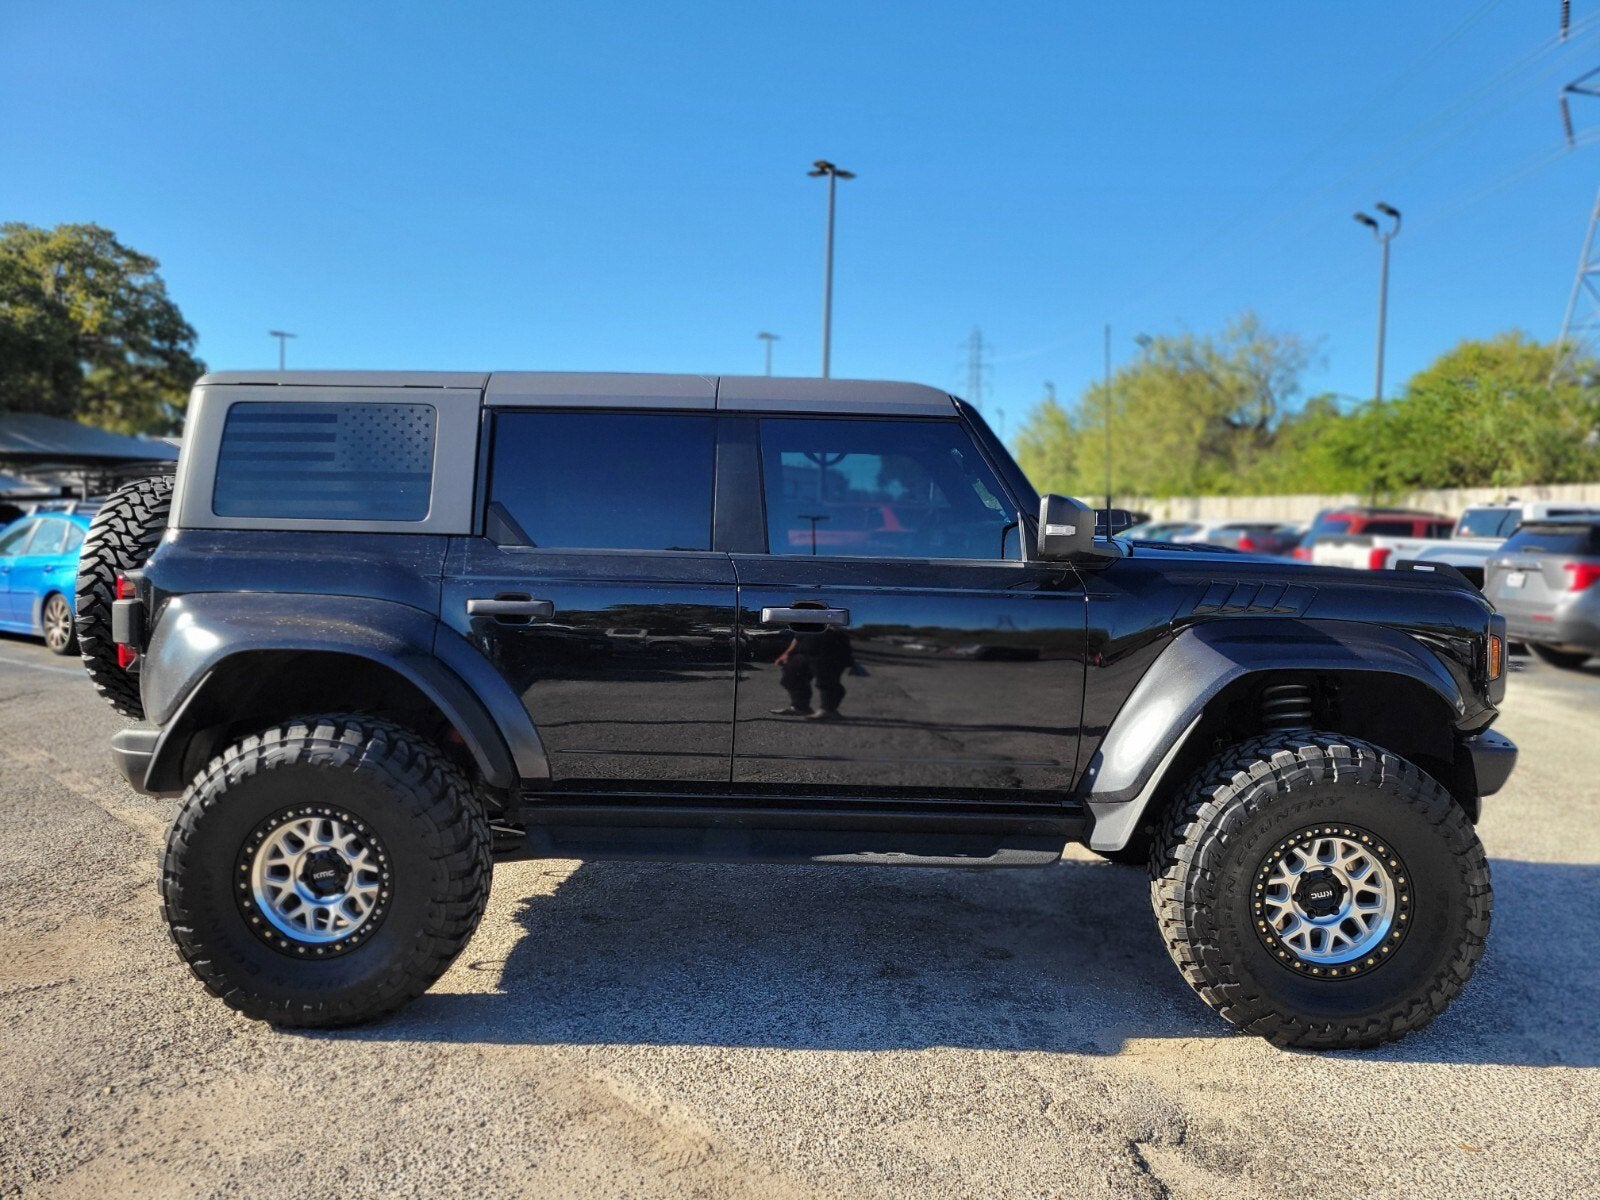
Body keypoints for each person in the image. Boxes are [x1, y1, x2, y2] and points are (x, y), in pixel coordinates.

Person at [770, 625, 857, 719]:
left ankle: (828, 710)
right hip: (805, 649)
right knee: (791, 677)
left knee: (826, 681)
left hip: (830, 648)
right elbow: (798, 636)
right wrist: (786, 653)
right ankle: (800, 707)